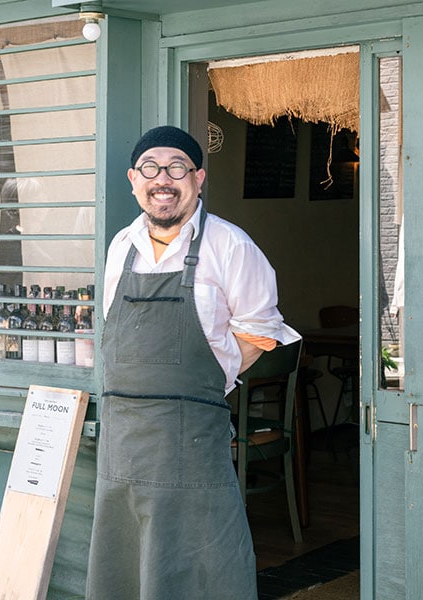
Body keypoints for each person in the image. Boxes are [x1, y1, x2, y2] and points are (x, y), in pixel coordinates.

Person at [86, 125, 298, 600]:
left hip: (190, 441)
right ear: (133, 179)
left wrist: (208, 378)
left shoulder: (231, 246)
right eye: (150, 169)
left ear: (198, 178)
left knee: (198, 570)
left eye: (177, 168)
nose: (163, 179)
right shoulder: (121, 246)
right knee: (124, 569)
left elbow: (261, 331)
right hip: (122, 446)